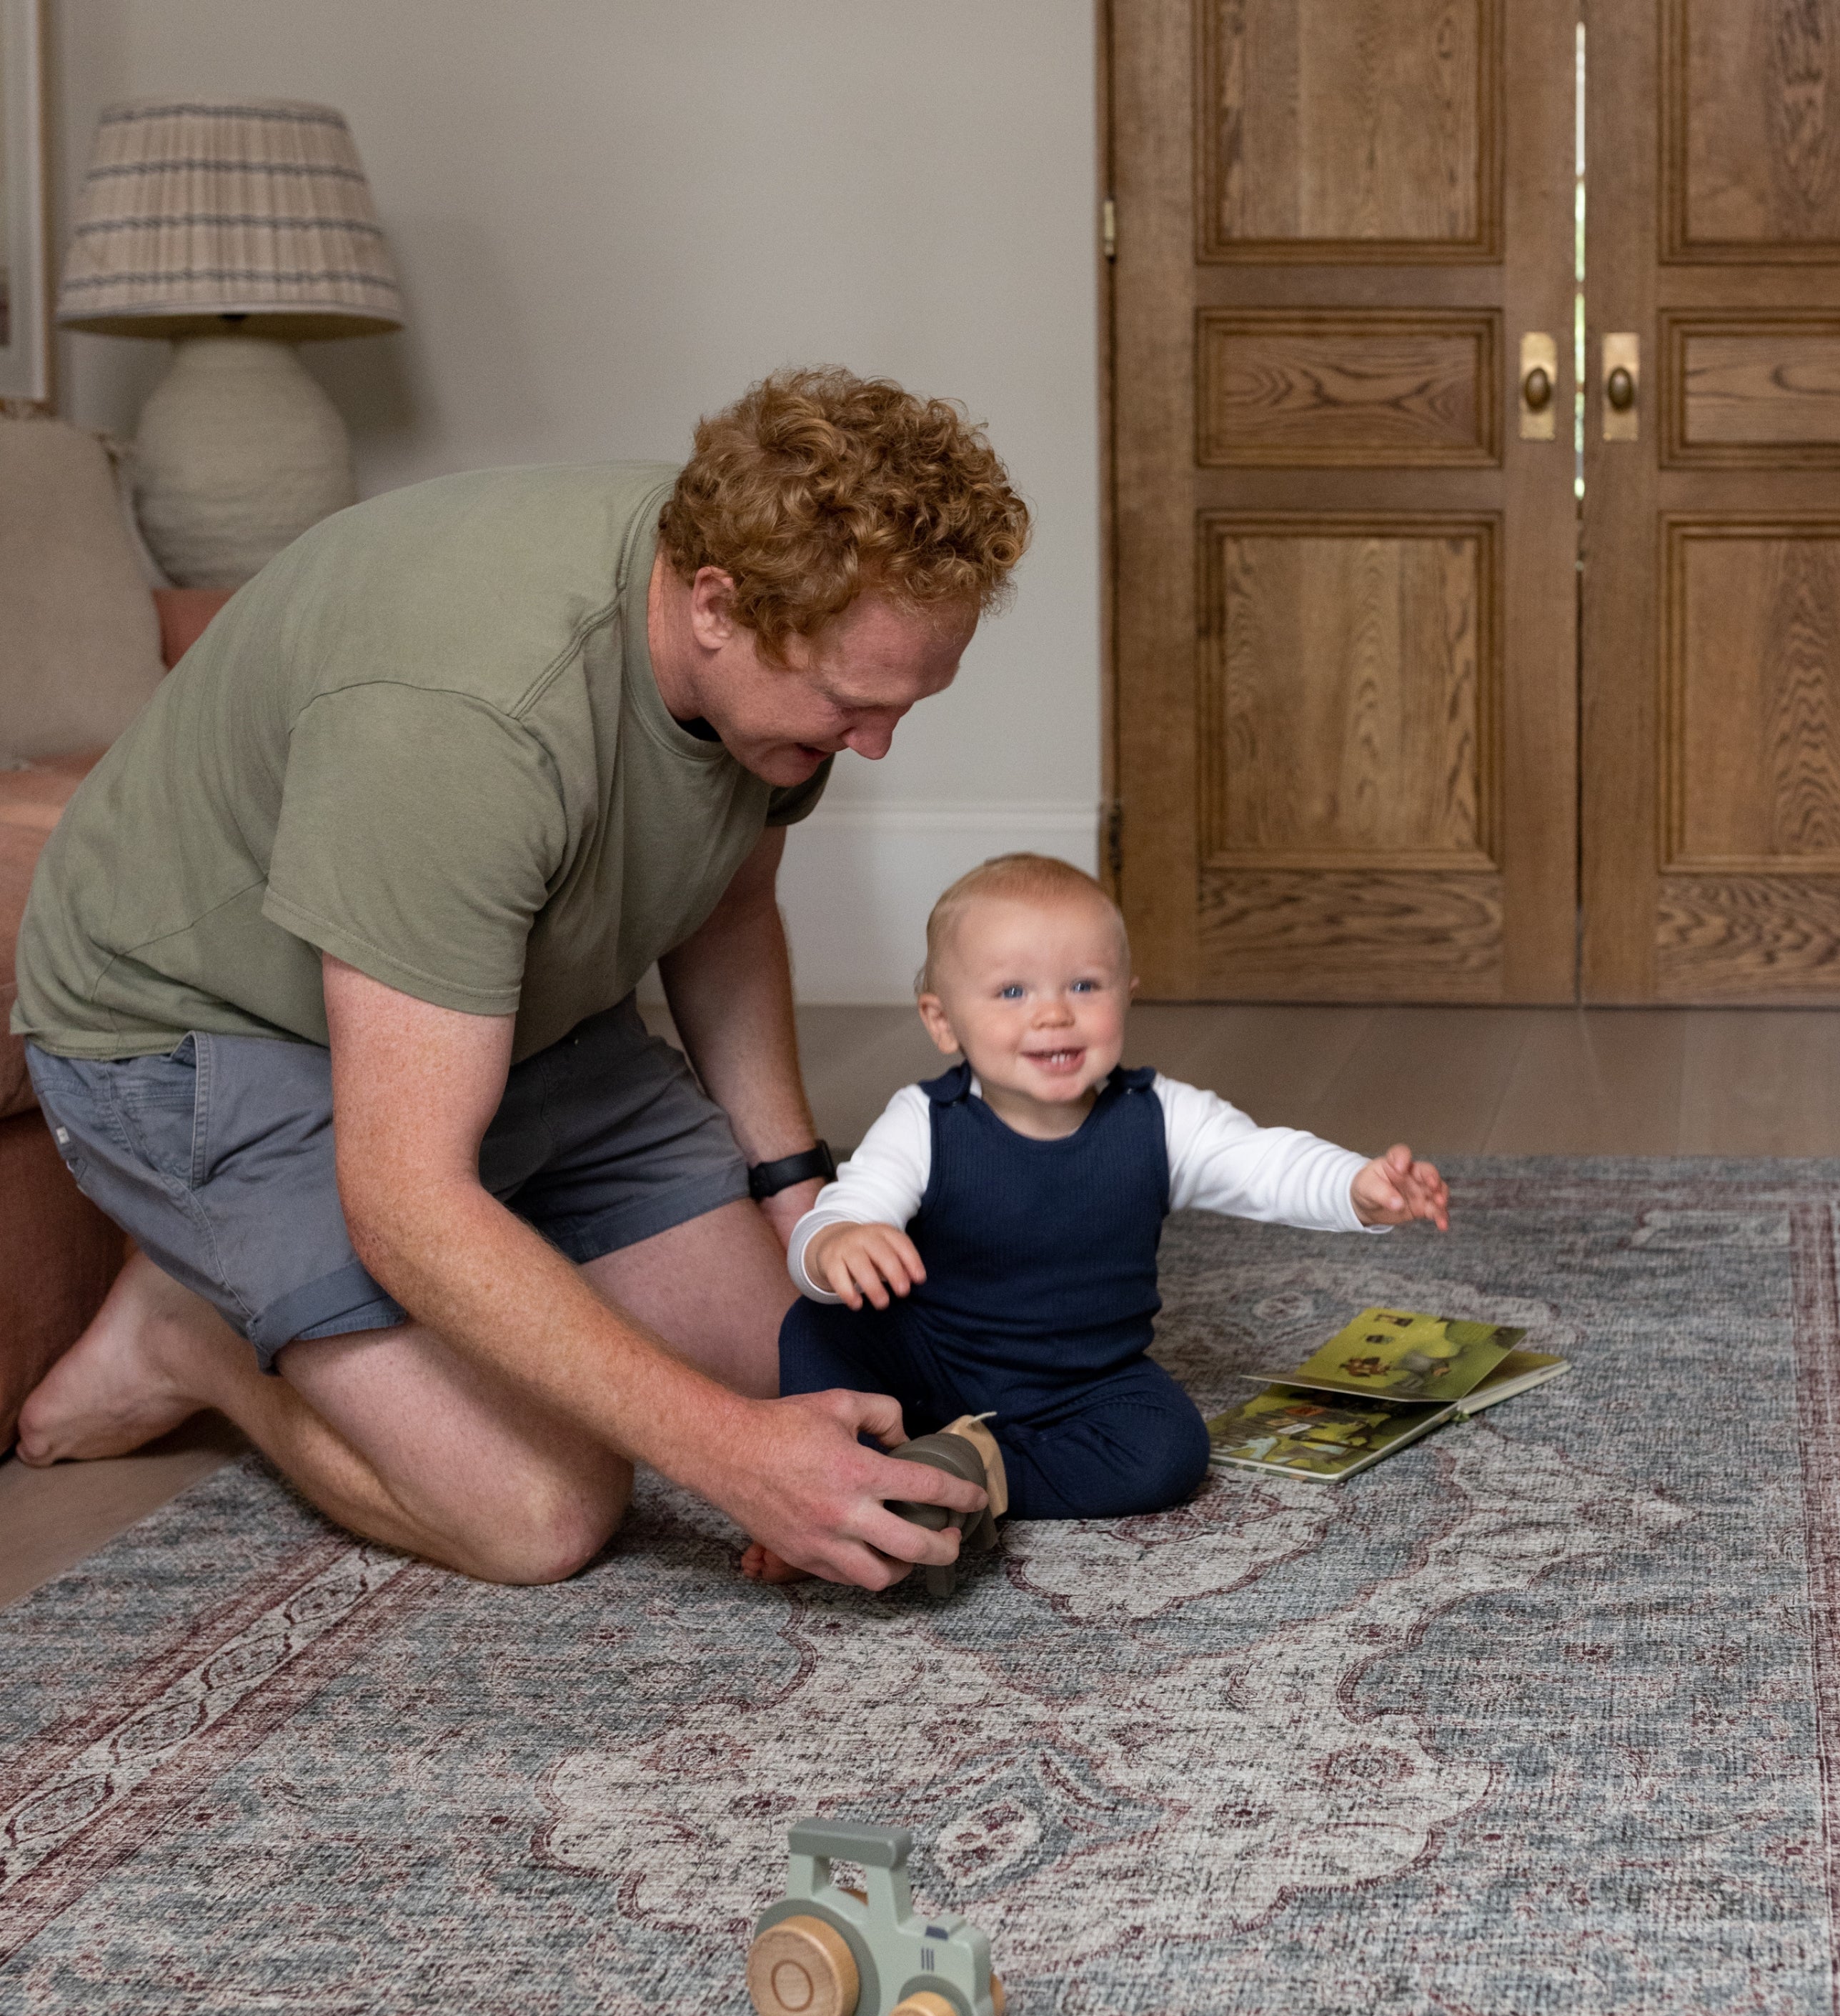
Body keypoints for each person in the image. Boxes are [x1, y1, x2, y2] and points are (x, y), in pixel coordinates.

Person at [11, 369, 1029, 1591]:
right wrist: (732, 1460)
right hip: (201, 1029)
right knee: (541, 1509)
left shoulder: (765, 601)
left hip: (505, 998)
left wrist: (793, 1191)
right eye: (850, 707)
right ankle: (194, 1334)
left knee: (809, 1364)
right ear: (714, 605)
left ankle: (392, 1284)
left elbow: (727, 903)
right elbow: (406, 1200)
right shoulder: (465, 721)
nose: (873, 745)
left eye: (903, 704)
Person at [742, 852, 1449, 1581]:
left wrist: (1358, 1188)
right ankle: (841, 1483)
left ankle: (964, 1479)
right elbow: (839, 1215)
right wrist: (839, 1244)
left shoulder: (1161, 1117)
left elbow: (1267, 1162)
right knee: (815, 1326)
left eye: (1084, 984)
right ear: (943, 1021)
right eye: (1012, 990)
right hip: (931, 1363)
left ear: (1127, 995)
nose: (1053, 1011)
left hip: (1084, 1382)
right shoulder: (923, 1121)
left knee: (1170, 1452)